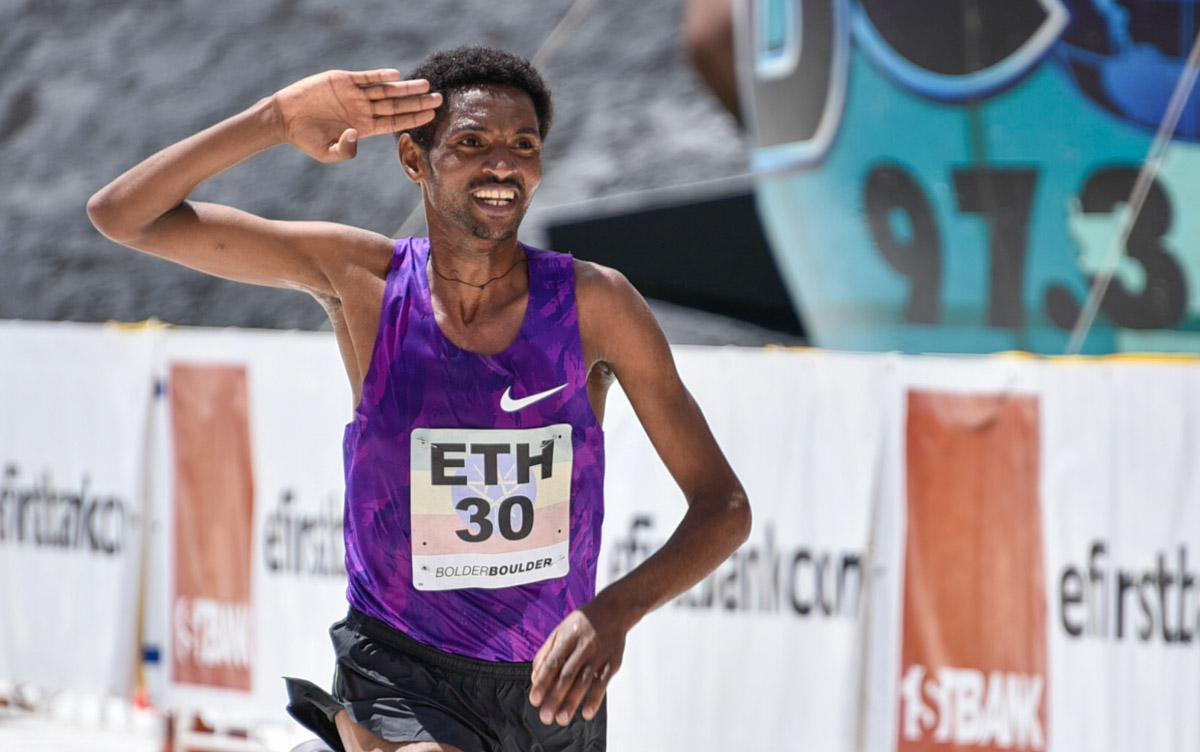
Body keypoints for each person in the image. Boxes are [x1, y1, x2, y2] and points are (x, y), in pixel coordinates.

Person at [88, 46, 750, 752]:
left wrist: (613, 613)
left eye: (522, 145)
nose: (502, 165)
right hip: (402, 670)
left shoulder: (597, 304)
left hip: (551, 685)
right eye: (470, 143)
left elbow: (723, 508)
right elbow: (125, 216)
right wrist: (275, 119)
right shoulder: (363, 280)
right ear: (414, 161)